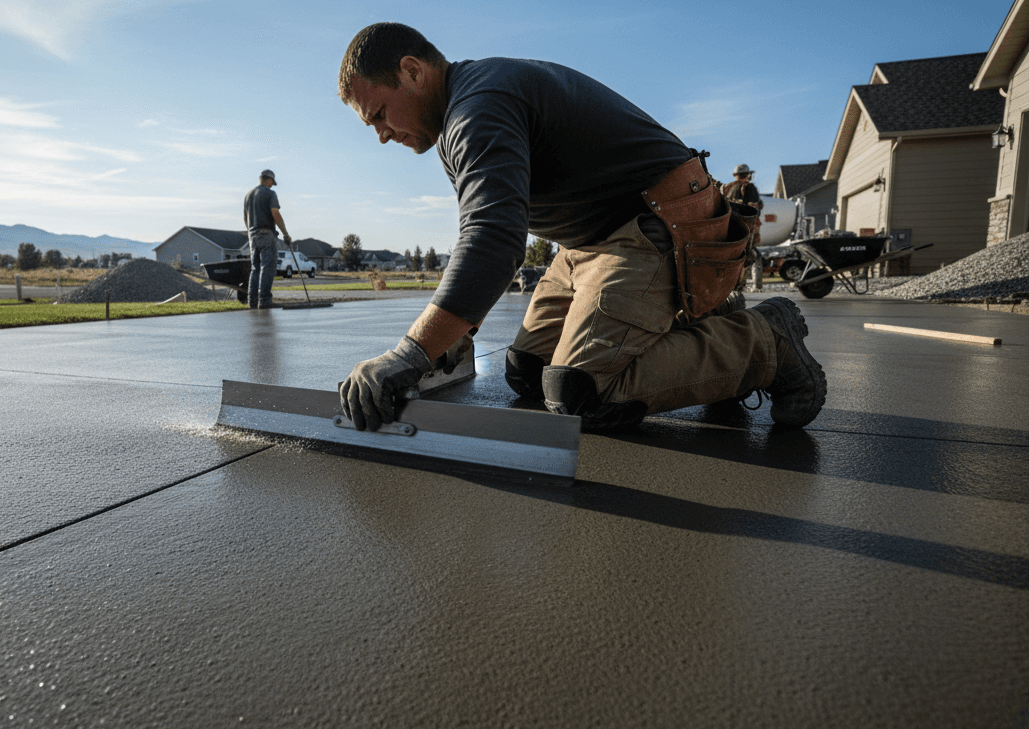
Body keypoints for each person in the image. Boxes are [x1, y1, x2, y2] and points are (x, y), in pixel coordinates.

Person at [335, 22, 826, 433]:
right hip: (590, 243)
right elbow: (483, 230)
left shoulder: (478, 107)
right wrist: (453, 336)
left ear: (412, 70)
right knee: (528, 371)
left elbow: (493, 236)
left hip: (658, 226)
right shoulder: (455, 125)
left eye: (379, 114)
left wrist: (410, 353)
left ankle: (763, 341)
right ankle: (693, 322)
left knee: (581, 391)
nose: (380, 135)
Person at [243, 169, 292, 309]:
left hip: (252, 235)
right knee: (268, 266)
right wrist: (285, 234)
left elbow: (245, 218)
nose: (272, 186)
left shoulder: (248, 195)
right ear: (269, 180)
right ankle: (264, 300)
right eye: (272, 183)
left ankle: (252, 301)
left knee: (255, 268)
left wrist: (251, 233)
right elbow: (275, 214)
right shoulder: (270, 193)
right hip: (266, 233)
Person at [723, 164, 765, 291]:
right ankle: (740, 286)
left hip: (730, 227)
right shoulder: (749, 188)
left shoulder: (727, 187)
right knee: (749, 255)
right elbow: (754, 208)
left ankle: (728, 286)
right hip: (747, 227)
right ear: (748, 175)